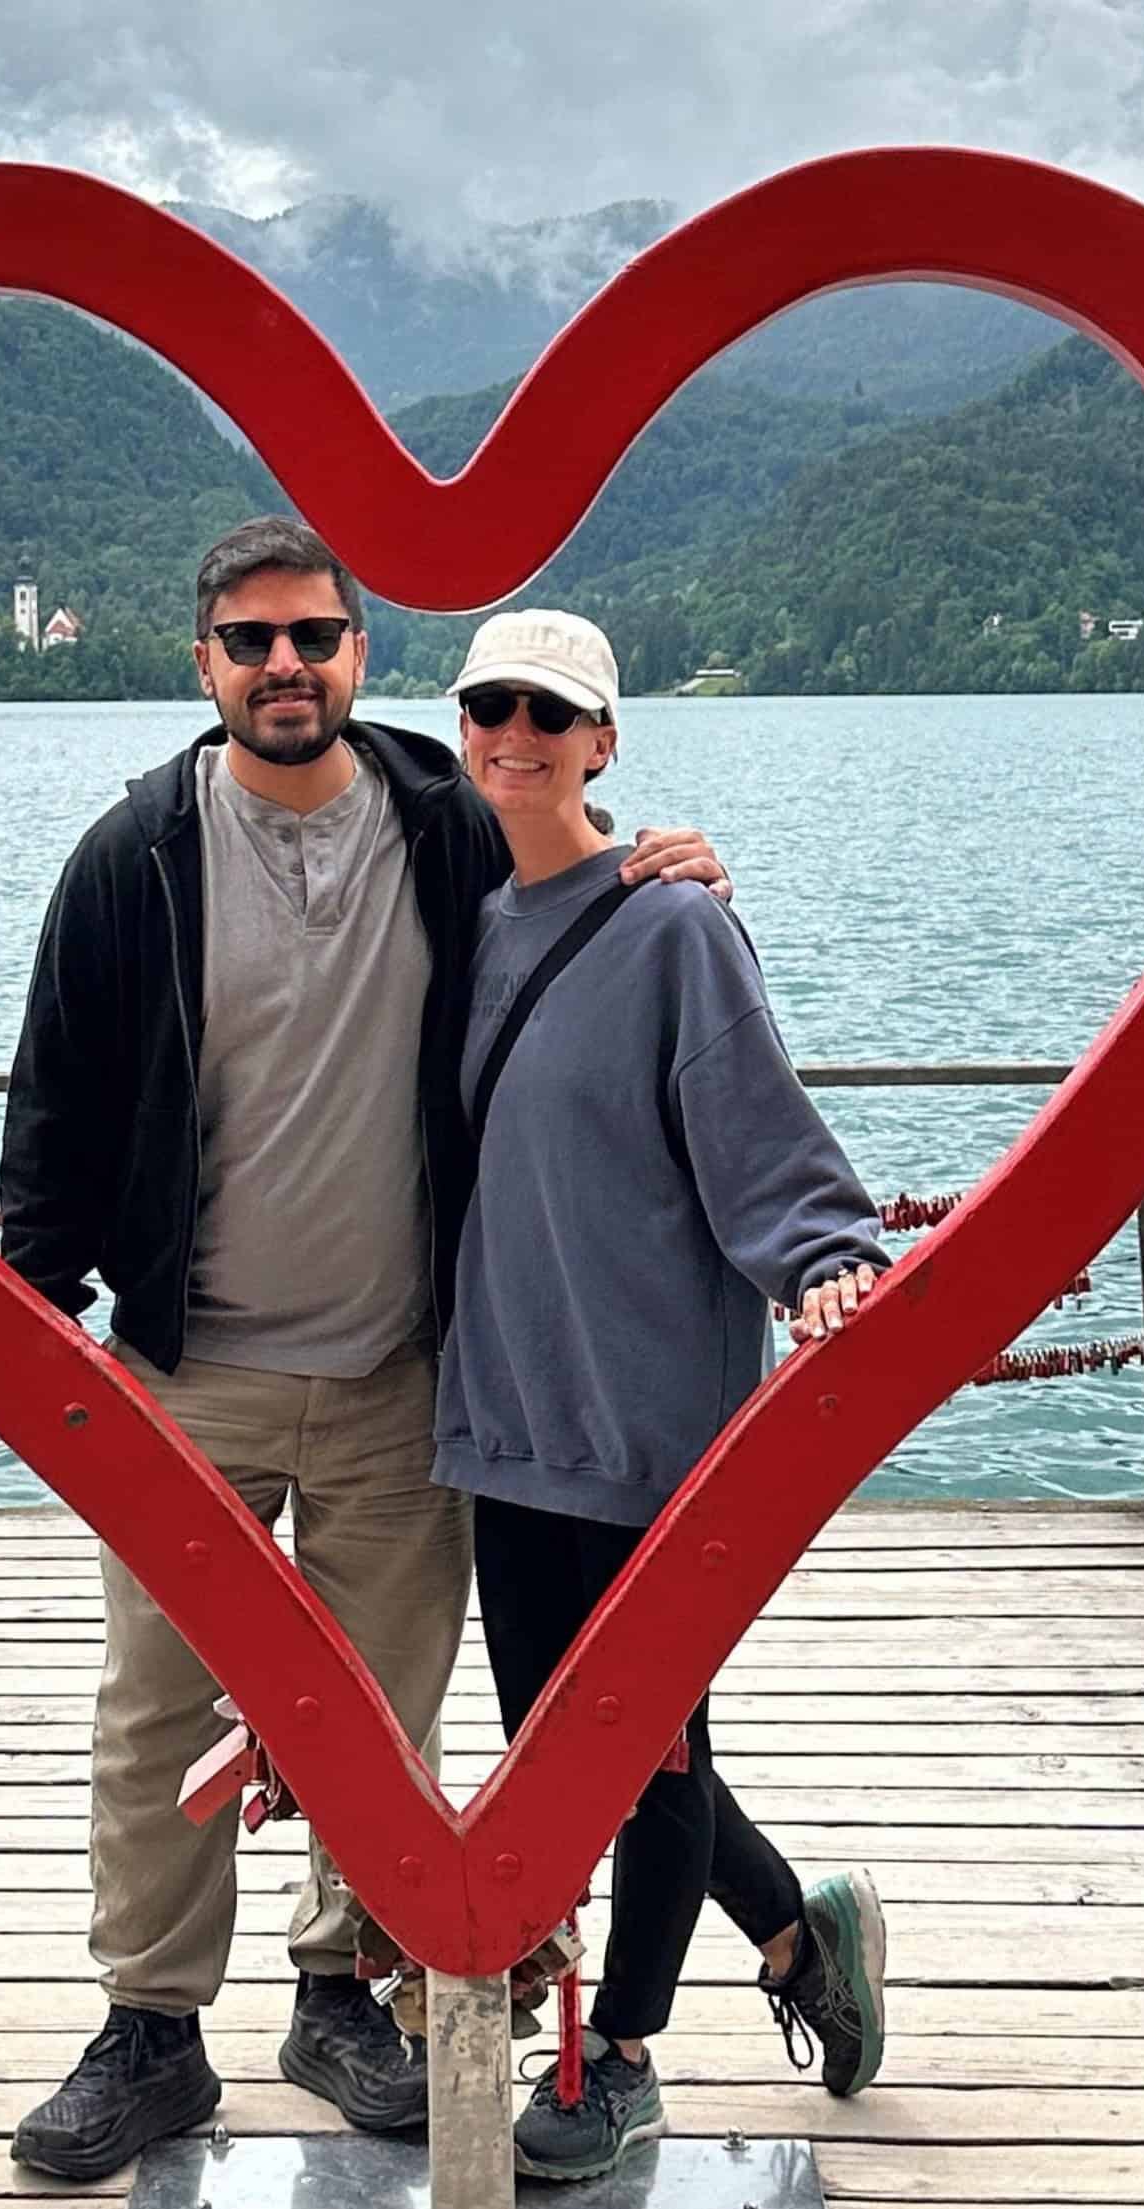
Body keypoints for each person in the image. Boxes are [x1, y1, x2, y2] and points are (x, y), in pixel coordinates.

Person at [0, 519, 730, 2181]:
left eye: (314, 637)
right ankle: (151, 2029)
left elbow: (569, 885)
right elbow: (52, 1107)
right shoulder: (135, 856)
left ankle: (338, 1993)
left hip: (408, 1371)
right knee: (150, 1706)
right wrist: (48, 1339)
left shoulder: (441, 816)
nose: (283, 667)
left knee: (380, 1723)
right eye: (249, 640)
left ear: (358, 654)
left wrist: (654, 863)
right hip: (187, 1372)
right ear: (201, 662)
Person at [429, 608, 892, 2182]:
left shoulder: (675, 924)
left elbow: (758, 1125)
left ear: (603, 740)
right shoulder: (476, 918)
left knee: (654, 1747)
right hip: (501, 1413)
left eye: (550, 712)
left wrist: (824, 1257)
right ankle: (794, 1936)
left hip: (646, 1426)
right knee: (577, 1749)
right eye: (490, 703)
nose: (515, 730)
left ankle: (620, 2054)